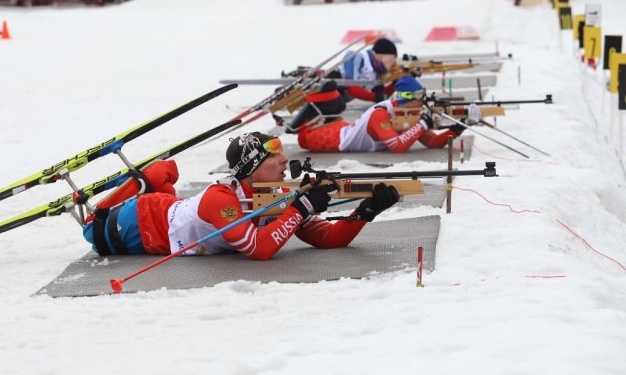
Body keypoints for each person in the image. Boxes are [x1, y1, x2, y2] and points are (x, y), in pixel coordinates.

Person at [82, 132, 399, 259]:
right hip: (143, 222)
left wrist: (364, 213)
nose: (285, 161)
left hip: (172, 210)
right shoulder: (221, 197)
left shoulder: (273, 194)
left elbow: (327, 238)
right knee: (93, 229)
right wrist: (299, 209)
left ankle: (155, 179)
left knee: (165, 183)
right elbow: (257, 249)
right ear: (252, 166)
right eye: (276, 157)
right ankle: (138, 182)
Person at [297, 76, 482, 154]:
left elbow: (433, 142)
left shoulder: (410, 115)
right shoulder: (381, 114)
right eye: (420, 98)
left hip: (343, 128)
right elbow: (397, 146)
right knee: (303, 139)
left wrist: (461, 125)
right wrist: (424, 123)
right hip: (336, 139)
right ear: (407, 99)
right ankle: (315, 100)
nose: (423, 103)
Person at [335, 37, 399, 103]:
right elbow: (353, 88)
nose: (394, 62)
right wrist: (375, 97)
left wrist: (396, 82)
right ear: (383, 54)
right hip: (331, 92)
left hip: (340, 101)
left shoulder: (377, 69)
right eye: (393, 58)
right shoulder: (359, 57)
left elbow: (381, 93)